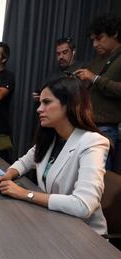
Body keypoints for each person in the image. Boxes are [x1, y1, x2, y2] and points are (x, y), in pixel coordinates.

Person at [0, 77, 109, 235]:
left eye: (46, 102)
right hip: (54, 222)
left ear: (69, 105)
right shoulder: (52, 137)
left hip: (84, 234)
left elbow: (83, 205)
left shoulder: (93, 142)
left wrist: (24, 194)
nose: (39, 109)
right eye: (40, 103)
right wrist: (8, 175)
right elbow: (25, 162)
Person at [75, 14, 121, 170]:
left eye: (99, 38)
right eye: (93, 40)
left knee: (99, 180)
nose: (95, 44)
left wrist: (94, 79)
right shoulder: (98, 59)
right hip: (87, 124)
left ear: (114, 33)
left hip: (106, 128)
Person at [33, 37, 83, 101]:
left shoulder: (82, 69)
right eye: (58, 54)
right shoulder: (53, 73)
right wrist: (40, 96)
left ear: (73, 52)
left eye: (65, 52)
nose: (61, 57)